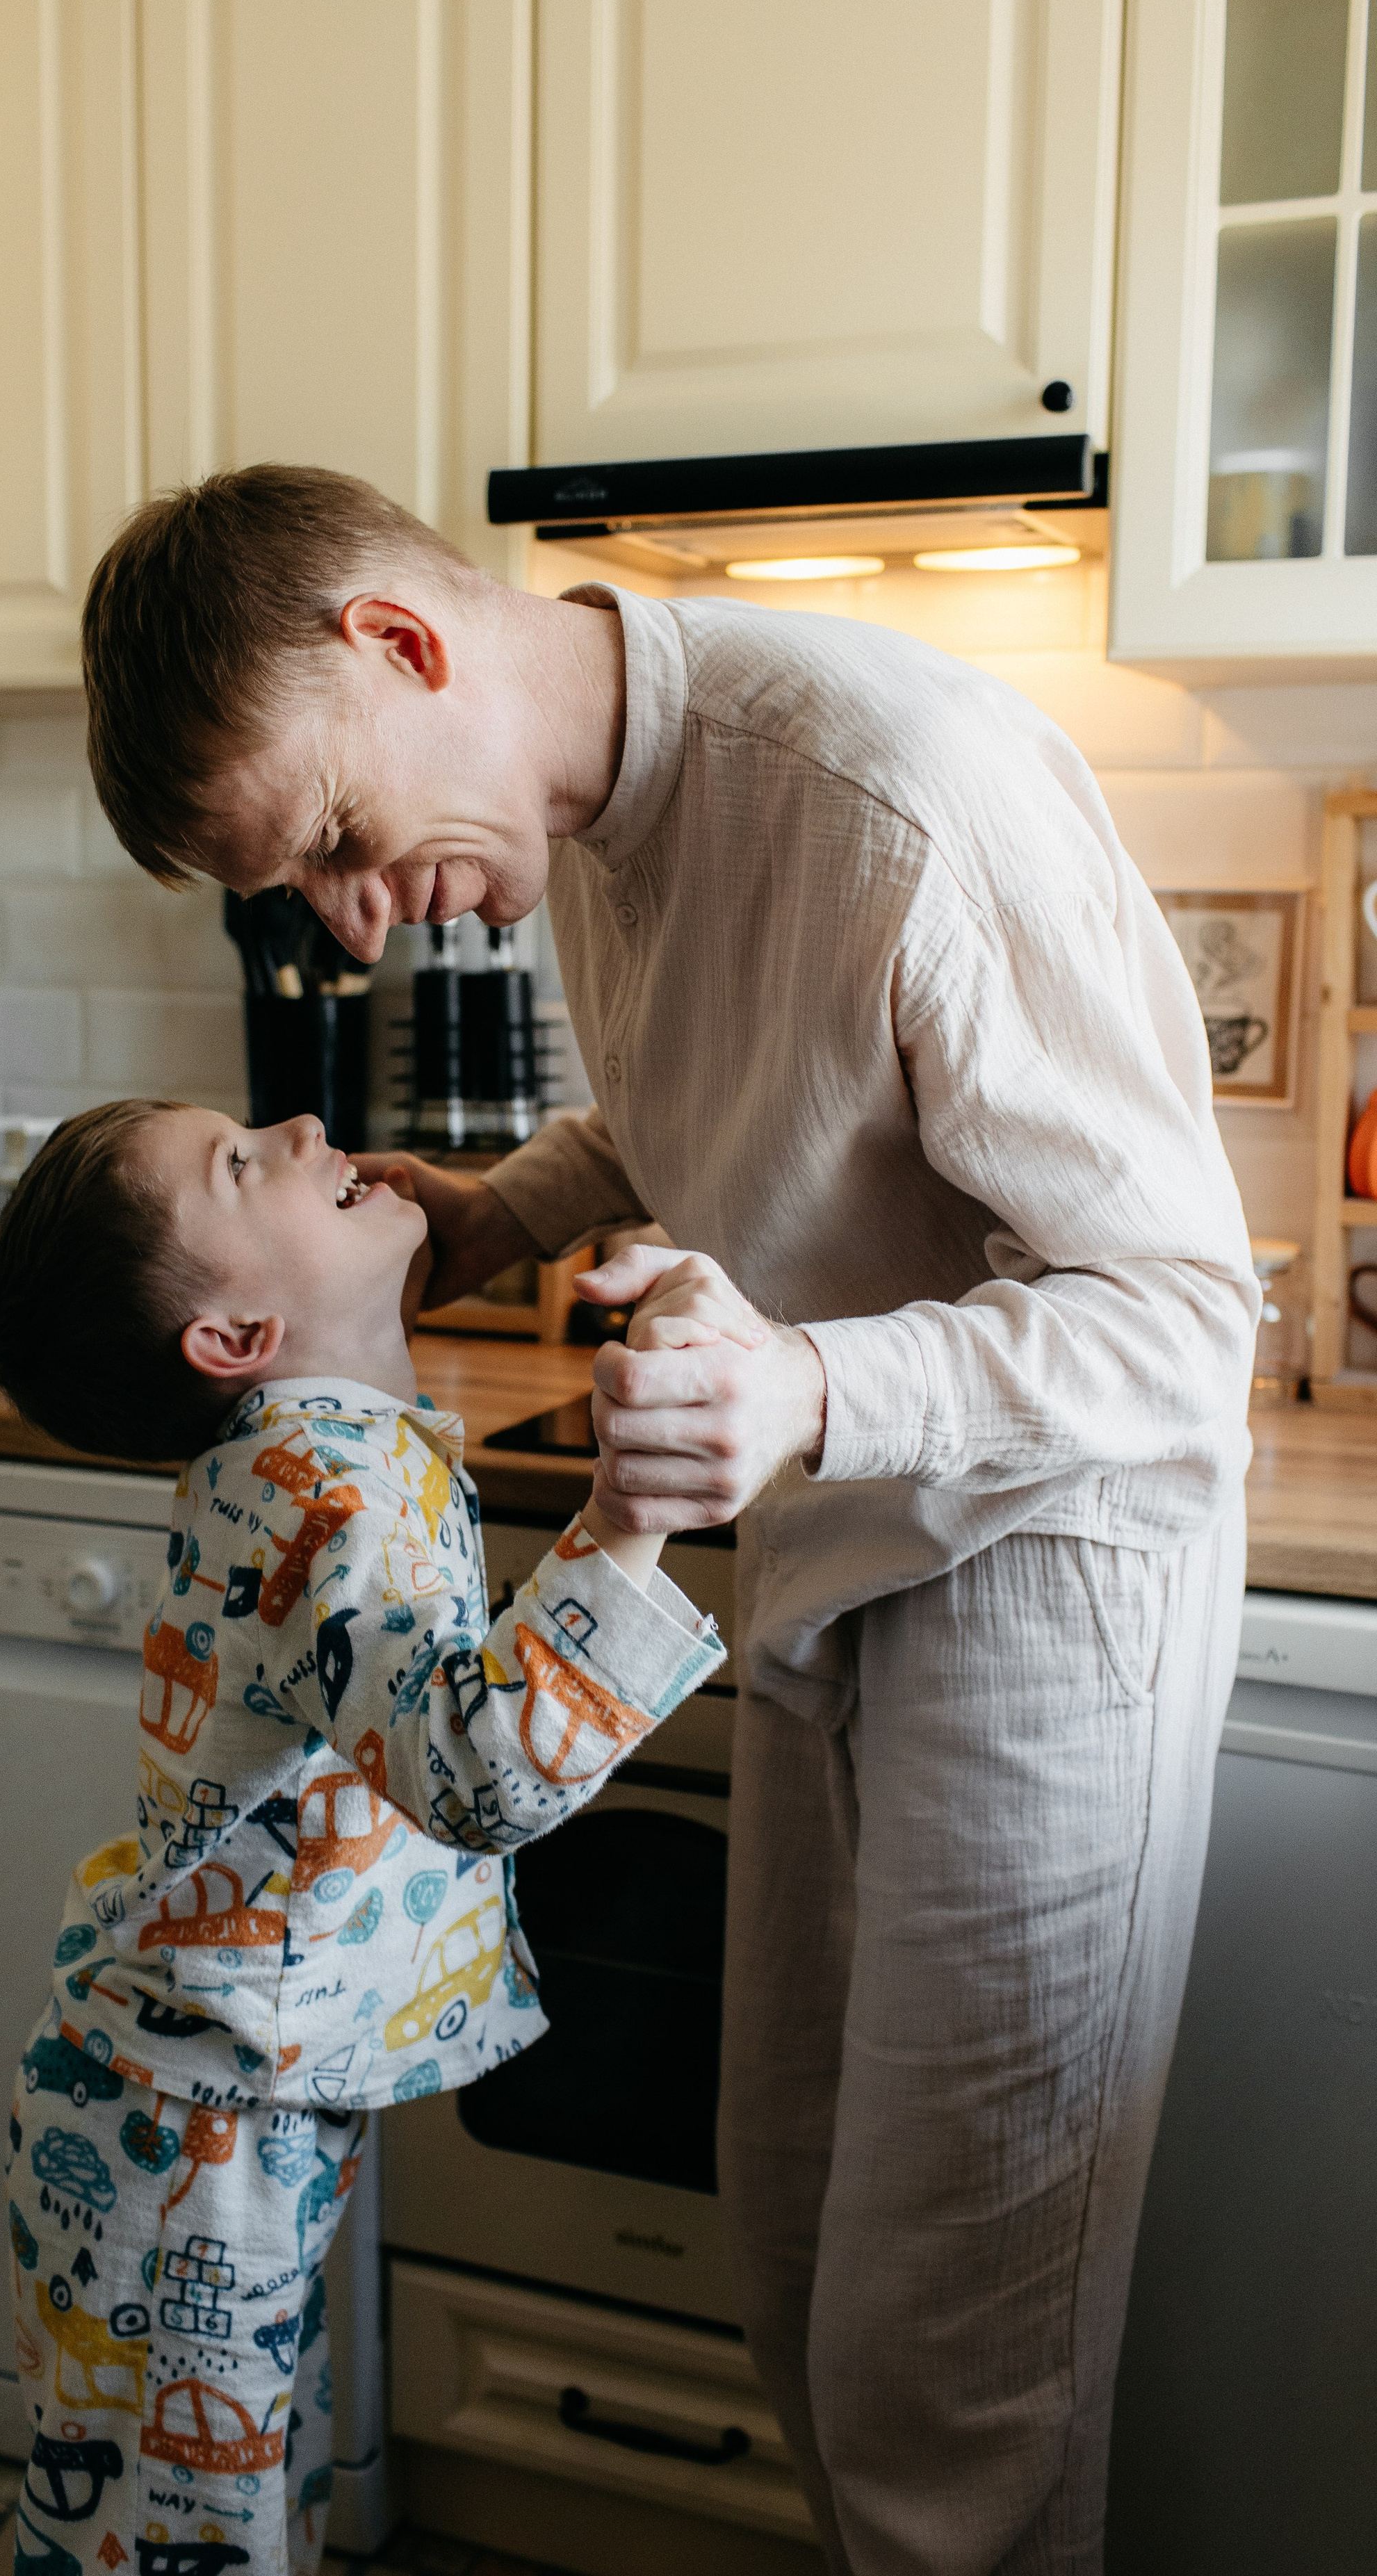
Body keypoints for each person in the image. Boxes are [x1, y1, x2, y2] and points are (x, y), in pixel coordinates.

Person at [73, 467, 1260, 2576]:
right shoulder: (588, 812)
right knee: (796, 2249)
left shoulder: (895, 793)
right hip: (834, 1548)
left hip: (1039, 1578)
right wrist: (509, 1206)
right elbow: (720, 1096)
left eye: (335, 841)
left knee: (948, 2367)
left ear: (401, 645)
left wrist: (805, 1384)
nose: (354, 927)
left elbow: (1181, 1316)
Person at [0, 1096, 725, 2576]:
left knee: (207, 2506)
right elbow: (478, 1768)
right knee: (186, 2531)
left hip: (214, 2093)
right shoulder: (321, 1484)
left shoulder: (319, 1446)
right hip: (195, 2123)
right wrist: (637, 1498)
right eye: (240, 1161)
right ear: (236, 1337)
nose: (305, 1123)